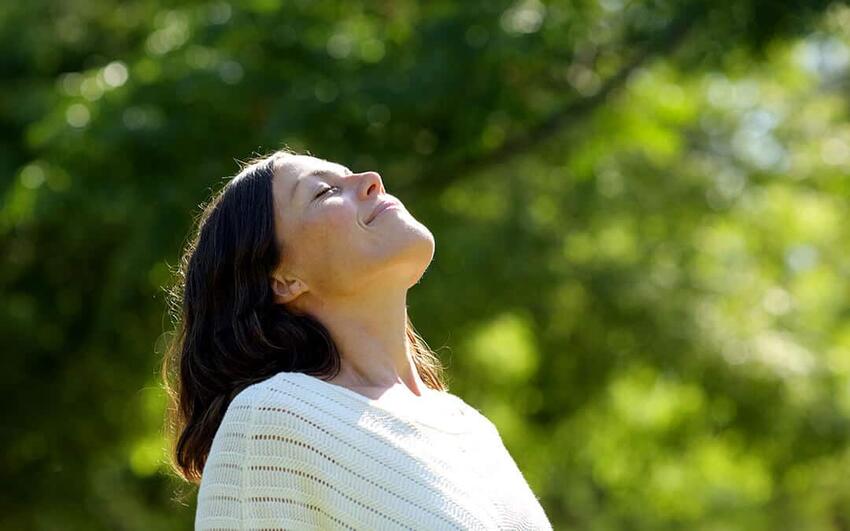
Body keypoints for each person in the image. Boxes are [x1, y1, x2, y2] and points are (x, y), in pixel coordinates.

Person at [162, 147, 554, 530]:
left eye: (351, 173)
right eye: (324, 191)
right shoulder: (273, 419)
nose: (372, 181)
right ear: (283, 280)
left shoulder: (471, 428)